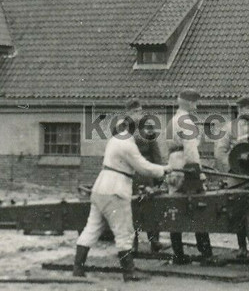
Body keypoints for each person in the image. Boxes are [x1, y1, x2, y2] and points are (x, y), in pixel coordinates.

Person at [74, 114, 169, 281]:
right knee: (124, 231)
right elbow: (143, 167)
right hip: (116, 189)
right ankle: (129, 271)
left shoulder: (116, 139)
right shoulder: (128, 145)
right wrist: (164, 169)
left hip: (100, 187)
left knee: (92, 228)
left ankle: (78, 269)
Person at [167, 89, 214, 265]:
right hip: (186, 166)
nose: (197, 105)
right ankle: (206, 253)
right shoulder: (186, 121)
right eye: (195, 102)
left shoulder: (173, 120)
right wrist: (196, 170)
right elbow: (191, 149)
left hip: (174, 164)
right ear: (188, 103)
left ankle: (178, 254)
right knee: (199, 207)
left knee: (174, 207)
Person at [213, 95, 249, 257]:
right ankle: (242, 247)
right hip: (238, 176)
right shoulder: (229, 128)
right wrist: (232, 170)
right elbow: (220, 152)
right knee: (239, 211)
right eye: (247, 108)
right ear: (240, 110)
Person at [124, 98, 165, 253]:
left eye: (139, 111)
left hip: (146, 172)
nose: (137, 114)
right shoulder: (122, 130)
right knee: (130, 208)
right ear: (127, 113)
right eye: (134, 111)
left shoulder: (148, 128)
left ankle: (154, 240)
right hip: (130, 173)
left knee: (151, 205)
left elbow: (156, 152)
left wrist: (159, 173)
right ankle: (131, 242)